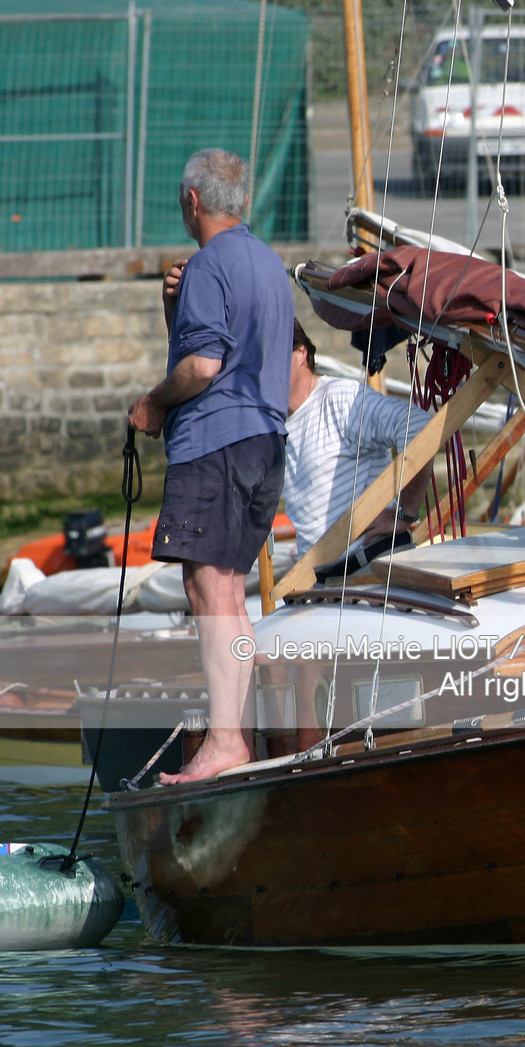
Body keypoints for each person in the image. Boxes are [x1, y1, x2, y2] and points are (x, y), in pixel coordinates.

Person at [128, 148, 293, 784]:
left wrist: (152, 404)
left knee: (210, 589)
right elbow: (235, 347)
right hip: (263, 444)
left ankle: (227, 739)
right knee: (227, 589)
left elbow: (202, 368)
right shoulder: (267, 265)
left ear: (193, 202)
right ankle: (235, 733)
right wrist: (179, 307)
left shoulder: (207, 266)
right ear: (240, 202)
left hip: (215, 444)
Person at [282, 319, 430, 574]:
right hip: (322, 583)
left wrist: (404, 515)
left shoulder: (338, 399)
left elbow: (420, 428)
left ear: (300, 354)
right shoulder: (272, 423)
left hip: (371, 573)